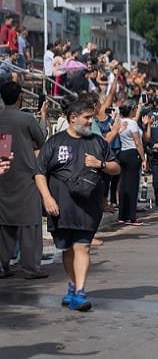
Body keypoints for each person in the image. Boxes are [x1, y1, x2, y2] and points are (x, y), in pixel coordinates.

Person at [34, 99, 121, 310]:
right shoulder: (55, 142)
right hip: (60, 207)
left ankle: (81, 292)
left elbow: (116, 168)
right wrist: (47, 198)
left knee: (83, 247)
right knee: (67, 250)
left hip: (88, 207)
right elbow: (39, 172)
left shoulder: (98, 143)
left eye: (92, 117)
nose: (91, 121)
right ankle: (72, 286)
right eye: (87, 117)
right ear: (73, 118)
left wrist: (99, 164)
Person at [0, 82, 48, 279]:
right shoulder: (26, 118)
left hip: (4, 174)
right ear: (20, 97)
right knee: (30, 224)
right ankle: (30, 268)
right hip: (26, 176)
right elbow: (42, 138)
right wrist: (43, 116)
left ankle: (2, 267)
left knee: (4, 225)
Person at [116, 103, 146, 225]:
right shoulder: (132, 124)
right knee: (133, 186)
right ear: (130, 111)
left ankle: (122, 215)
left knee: (123, 185)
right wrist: (143, 159)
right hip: (133, 154)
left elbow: (134, 117)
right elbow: (138, 142)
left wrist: (139, 107)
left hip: (122, 153)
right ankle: (131, 216)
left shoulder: (119, 122)